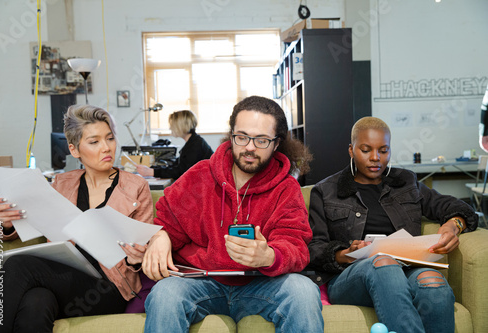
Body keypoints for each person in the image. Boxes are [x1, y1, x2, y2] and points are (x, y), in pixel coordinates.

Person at [142, 96, 323, 332]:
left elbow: (296, 247)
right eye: (242, 137)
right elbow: (168, 222)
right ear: (231, 134)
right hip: (203, 283)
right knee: (164, 293)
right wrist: (160, 236)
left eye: (261, 140)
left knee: (303, 290)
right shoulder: (200, 175)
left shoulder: (286, 188)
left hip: (262, 284)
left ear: (276, 143)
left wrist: (269, 256)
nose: (249, 147)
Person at [0, 105, 154, 332]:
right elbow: (12, 234)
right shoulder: (61, 184)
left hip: (109, 288)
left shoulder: (136, 187)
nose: (106, 147)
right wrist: (5, 223)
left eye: (110, 138)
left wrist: (139, 255)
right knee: (35, 304)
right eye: (94, 142)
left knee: (18, 265)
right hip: (63, 279)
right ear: (74, 150)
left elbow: (146, 249)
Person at [307, 116, 478, 333]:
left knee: (433, 284)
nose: (375, 158)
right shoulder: (326, 191)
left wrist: (455, 224)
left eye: (383, 150)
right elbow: (314, 248)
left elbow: (454, 206)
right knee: (383, 263)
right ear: (351, 150)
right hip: (350, 277)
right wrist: (345, 253)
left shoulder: (406, 182)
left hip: (406, 268)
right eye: (366, 150)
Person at [136, 110, 213, 180]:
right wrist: (152, 169)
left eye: (172, 125)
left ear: (181, 126)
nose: (170, 128)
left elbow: (182, 171)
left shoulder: (196, 145)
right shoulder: (193, 142)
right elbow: (177, 165)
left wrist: (152, 172)